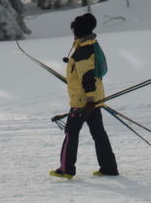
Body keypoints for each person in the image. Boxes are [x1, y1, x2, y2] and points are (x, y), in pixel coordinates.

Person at [50, 11, 119, 179]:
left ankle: (66, 169)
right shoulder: (92, 44)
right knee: (99, 133)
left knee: (71, 133)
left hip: (84, 101)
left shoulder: (83, 51)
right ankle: (109, 168)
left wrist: (87, 99)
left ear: (78, 31)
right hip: (95, 99)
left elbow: (87, 77)